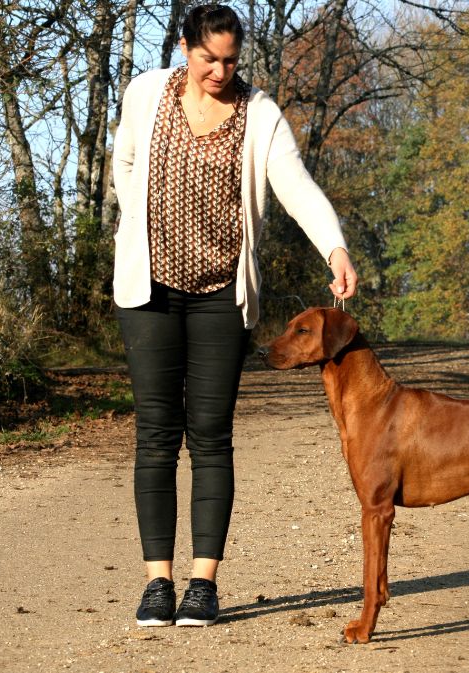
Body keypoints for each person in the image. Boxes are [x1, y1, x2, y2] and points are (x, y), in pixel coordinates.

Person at [111, 4, 357, 628]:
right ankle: (157, 584)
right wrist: (133, 232)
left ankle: (202, 584)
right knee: (156, 436)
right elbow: (126, 165)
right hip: (149, 292)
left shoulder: (261, 115)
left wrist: (334, 246)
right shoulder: (144, 95)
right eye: (208, 58)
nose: (220, 70)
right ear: (186, 48)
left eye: (230, 60)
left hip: (222, 293)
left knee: (211, 436)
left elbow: (294, 186)